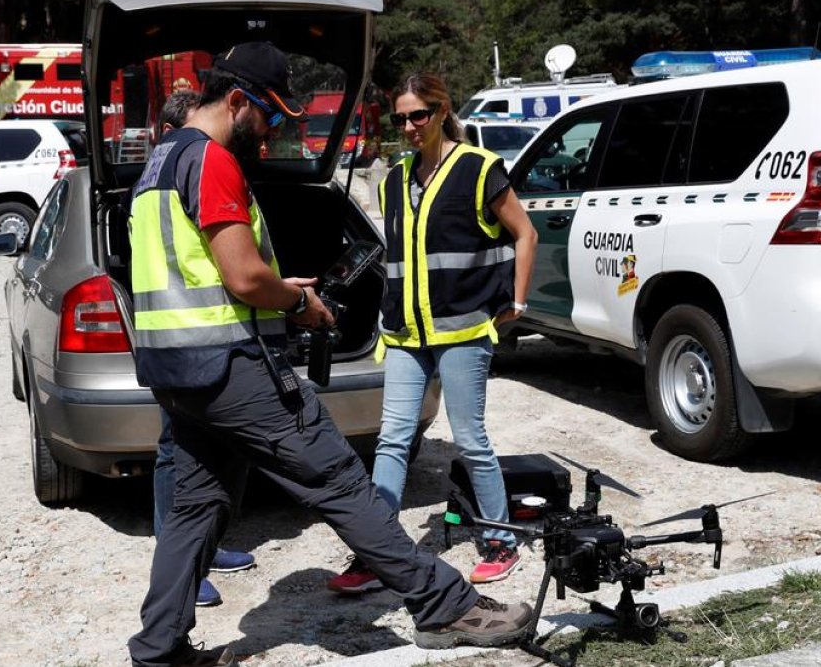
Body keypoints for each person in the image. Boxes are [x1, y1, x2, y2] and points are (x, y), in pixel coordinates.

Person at [126, 42, 534, 667]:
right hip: (229, 367)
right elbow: (240, 277)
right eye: (267, 116)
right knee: (340, 480)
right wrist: (296, 304)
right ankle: (445, 607)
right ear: (236, 101)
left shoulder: (158, 163)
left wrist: (276, 290)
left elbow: (194, 274)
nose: (270, 133)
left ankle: (159, 650)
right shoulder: (211, 162)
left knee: (195, 504)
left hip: (175, 373)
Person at [327, 73, 538, 594]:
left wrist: (517, 300)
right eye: (400, 118)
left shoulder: (480, 168)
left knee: (470, 439)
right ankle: (376, 553)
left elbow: (525, 232)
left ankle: (499, 539)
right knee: (392, 441)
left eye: (418, 115)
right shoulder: (393, 180)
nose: (409, 126)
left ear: (442, 111)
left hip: (464, 328)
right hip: (404, 333)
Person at [150, 88, 253, 609]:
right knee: (177, 455)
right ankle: (186, 563)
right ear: (173, 131)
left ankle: (206, 552)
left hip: (206, 343)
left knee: (209, 454)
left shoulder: (180, 169)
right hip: (182, 346)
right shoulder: (175, 171)